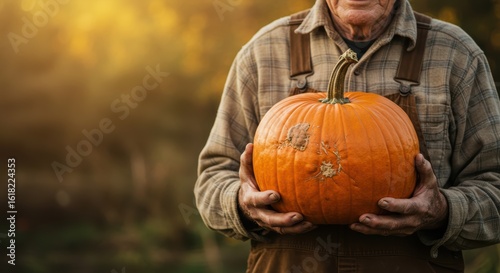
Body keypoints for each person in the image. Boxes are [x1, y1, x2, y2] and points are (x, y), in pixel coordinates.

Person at [195, 0, 500, 271]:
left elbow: (494, 185)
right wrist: (242, 203)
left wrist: (441, 212)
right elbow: (212, 180)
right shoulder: (263, 52)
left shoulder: (455, 55)